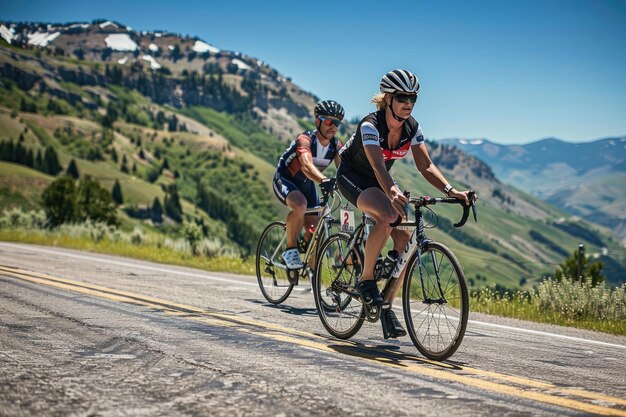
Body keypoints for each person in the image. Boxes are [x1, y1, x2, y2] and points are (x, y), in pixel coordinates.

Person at [336, 69, 474, 338]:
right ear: (388, 98)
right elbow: (377, 166)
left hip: (380, 180)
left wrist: (451, 190)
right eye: (402, 97)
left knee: (405, 240)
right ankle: (366, 280)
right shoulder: (370, 125)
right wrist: (393, 191)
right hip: (353, 176)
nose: (408, 102)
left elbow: (426, 165)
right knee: (388, 215)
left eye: (413, 97)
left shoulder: (412, 127)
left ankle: (386, 305)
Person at [273, 100, 345, 283]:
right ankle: (290, 250)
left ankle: (314, 273)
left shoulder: (336, 146)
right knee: (300, 206)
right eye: (328, 122)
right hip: (286, 179)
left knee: (317, 226)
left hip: (307, 184)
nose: (333, 127)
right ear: (317, 121)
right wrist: (323, 180)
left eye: (336, 123)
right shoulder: (305, 140)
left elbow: (345, 170)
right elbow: (306, 165)